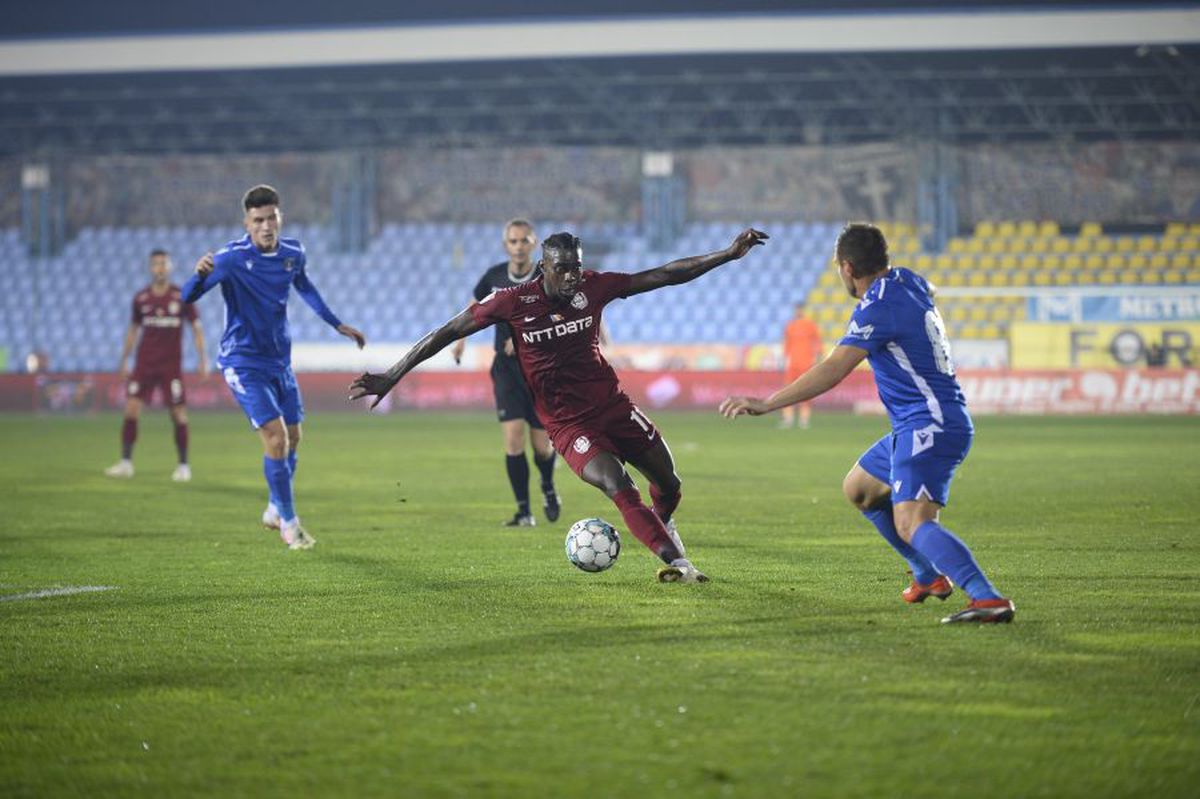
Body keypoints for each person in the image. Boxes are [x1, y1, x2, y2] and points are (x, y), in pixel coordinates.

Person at [352, 228, 770, 582]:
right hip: (570, 425)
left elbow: (663, 275)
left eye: (577, 267)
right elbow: (446, 332)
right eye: (563, 268)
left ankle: (663, 523)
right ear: (544, 268)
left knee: (670, 484)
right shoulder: (513, 302)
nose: (572, 276)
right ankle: (678, 563)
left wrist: (727, 254)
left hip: (614, 407)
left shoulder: (594, 287)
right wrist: (393, 374)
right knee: (619, 486)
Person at [720, 223, 1014, 624]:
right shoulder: (908, 280)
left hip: (929, 423)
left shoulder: (877, 308)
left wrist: (768, 403)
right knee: (859, 488)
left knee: (912, 522)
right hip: (918, 423)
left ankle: (986, 597)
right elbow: (929, 291)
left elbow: (834, 369)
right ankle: (927, 575)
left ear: (846, 268)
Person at [182, 184, 366, 550]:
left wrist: (336, 324)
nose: (266, 226)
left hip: (279, 361)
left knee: (294, 437)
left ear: (280, 218)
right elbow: (187, 297)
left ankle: (272, 508)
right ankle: (290, 525)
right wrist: (198, 276)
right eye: (258, 220)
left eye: (271, 218)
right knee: (276, 438)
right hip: (242, 362)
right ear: (247, 224)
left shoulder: (293, 253)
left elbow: (305, 287)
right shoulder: (230, 259)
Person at [450, 219, 561, 527]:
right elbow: (473, 309)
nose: (519, 246)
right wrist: (460, 341)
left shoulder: (546, 277)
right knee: (513, 441)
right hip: (506, 370)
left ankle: (548, 485)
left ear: (534, 244)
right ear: (505, 245)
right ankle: (524, 512)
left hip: (539, 369)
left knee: (542, 447)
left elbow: (560, 315)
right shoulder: (494, 276)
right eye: (513, 241)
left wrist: (525, 337)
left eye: (524, 240)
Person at [105, 249, 208, 481]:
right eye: (156, 264)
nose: (160, 268)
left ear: (170, 267)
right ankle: (126, 463)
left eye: (164, 263)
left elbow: (196, 328)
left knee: (178, 413)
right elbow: (133, 330)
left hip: (171, 366)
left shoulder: (182, 296)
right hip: (145, 364)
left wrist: (203, 359)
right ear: (150, 268)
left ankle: (183, 466)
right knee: (131, 408)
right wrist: (125, 359)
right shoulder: (141, 298)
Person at [780, 301, 822, 429]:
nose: (798, 312)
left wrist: (818, 356)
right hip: (792, 363)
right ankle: (788, 419)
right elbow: (787, 343)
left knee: (806, 390)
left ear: (803, 310)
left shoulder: (810, 325)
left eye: (800, 309)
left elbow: (817, 341)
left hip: (806, 362)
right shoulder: (790, 326)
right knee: (788, 391)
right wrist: (784, 358)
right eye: (796, 309)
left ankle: (804, 420)